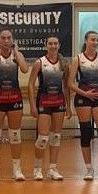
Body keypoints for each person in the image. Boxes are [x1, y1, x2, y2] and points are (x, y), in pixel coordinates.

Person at [68, 31, 98, 181]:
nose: (95, 42)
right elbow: (70, 83)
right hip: (83, 98)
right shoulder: (78, 59)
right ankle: (88, 169)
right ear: (86, 41)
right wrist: (85, 93)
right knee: (86, 133)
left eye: (97, 40)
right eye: (93, 39)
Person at [0, 30, 29, 181]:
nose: (6, 40)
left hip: (14, 98)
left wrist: (16, 52)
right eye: (3, 38)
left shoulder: (18, 54)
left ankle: (17, 169)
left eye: (9, 38)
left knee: (15, 135)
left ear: (12, 40)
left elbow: (25, 69)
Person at [28, 36, 70, 181]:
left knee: (56, 136)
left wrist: (68, 106)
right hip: (44, 103)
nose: (53, 46)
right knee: (43, 138)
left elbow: (66, 87)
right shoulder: (39, 63)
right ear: (46, 45)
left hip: (59, 102)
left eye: (55, 43)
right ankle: (37, 168)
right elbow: (30, 85)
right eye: (50, 43)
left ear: (59, 45)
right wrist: (32, 105)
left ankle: (52, 168)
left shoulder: (64, 64)